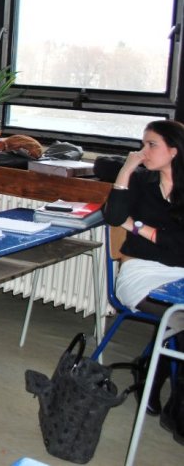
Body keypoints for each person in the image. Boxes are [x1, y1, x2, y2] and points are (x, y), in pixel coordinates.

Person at [103, 119, 184, 435]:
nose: (143, 151)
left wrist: (137, 226)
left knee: (180, 319)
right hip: (140, 271)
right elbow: (113, 216)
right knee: (179, 318)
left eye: (152, 145)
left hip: (179, 271)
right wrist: (126, 169)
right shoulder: (140, 181)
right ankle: (173, 407)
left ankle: (152, 375)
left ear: (174, 151)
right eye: (143, 144)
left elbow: (179, 246)